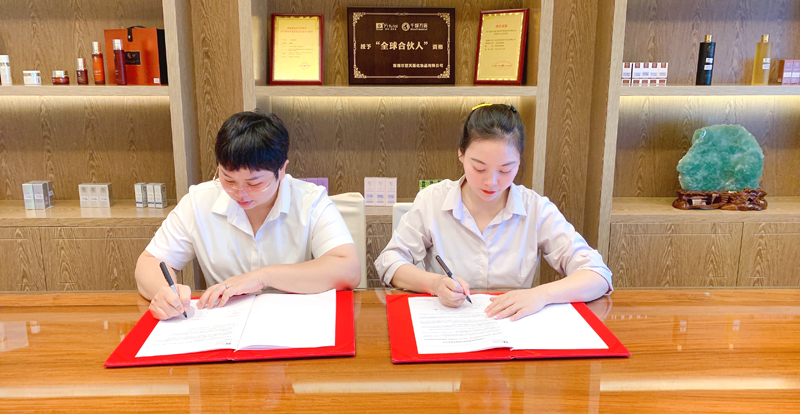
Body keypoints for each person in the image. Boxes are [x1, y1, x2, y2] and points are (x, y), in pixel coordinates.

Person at [374, 103, 612, 321]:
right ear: (461, 154)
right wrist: (435, 284)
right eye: (479, 168)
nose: (491, 182)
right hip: (449, 325)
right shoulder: (432, 201)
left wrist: (541, 295)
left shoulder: (535, 209)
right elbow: (389, 261)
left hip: (512, 327)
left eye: (506, 170)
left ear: (519, 161)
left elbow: (598, 274)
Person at [135, 111, 360, 320]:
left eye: (254, 183)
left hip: (295, 320)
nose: (239, 193)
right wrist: (164, 293)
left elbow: (348, 269)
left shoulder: (310, 201)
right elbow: (149, 262)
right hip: (224, 324)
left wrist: (261, 277)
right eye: (228, 179)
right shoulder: (198, 201)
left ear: (282, 169)